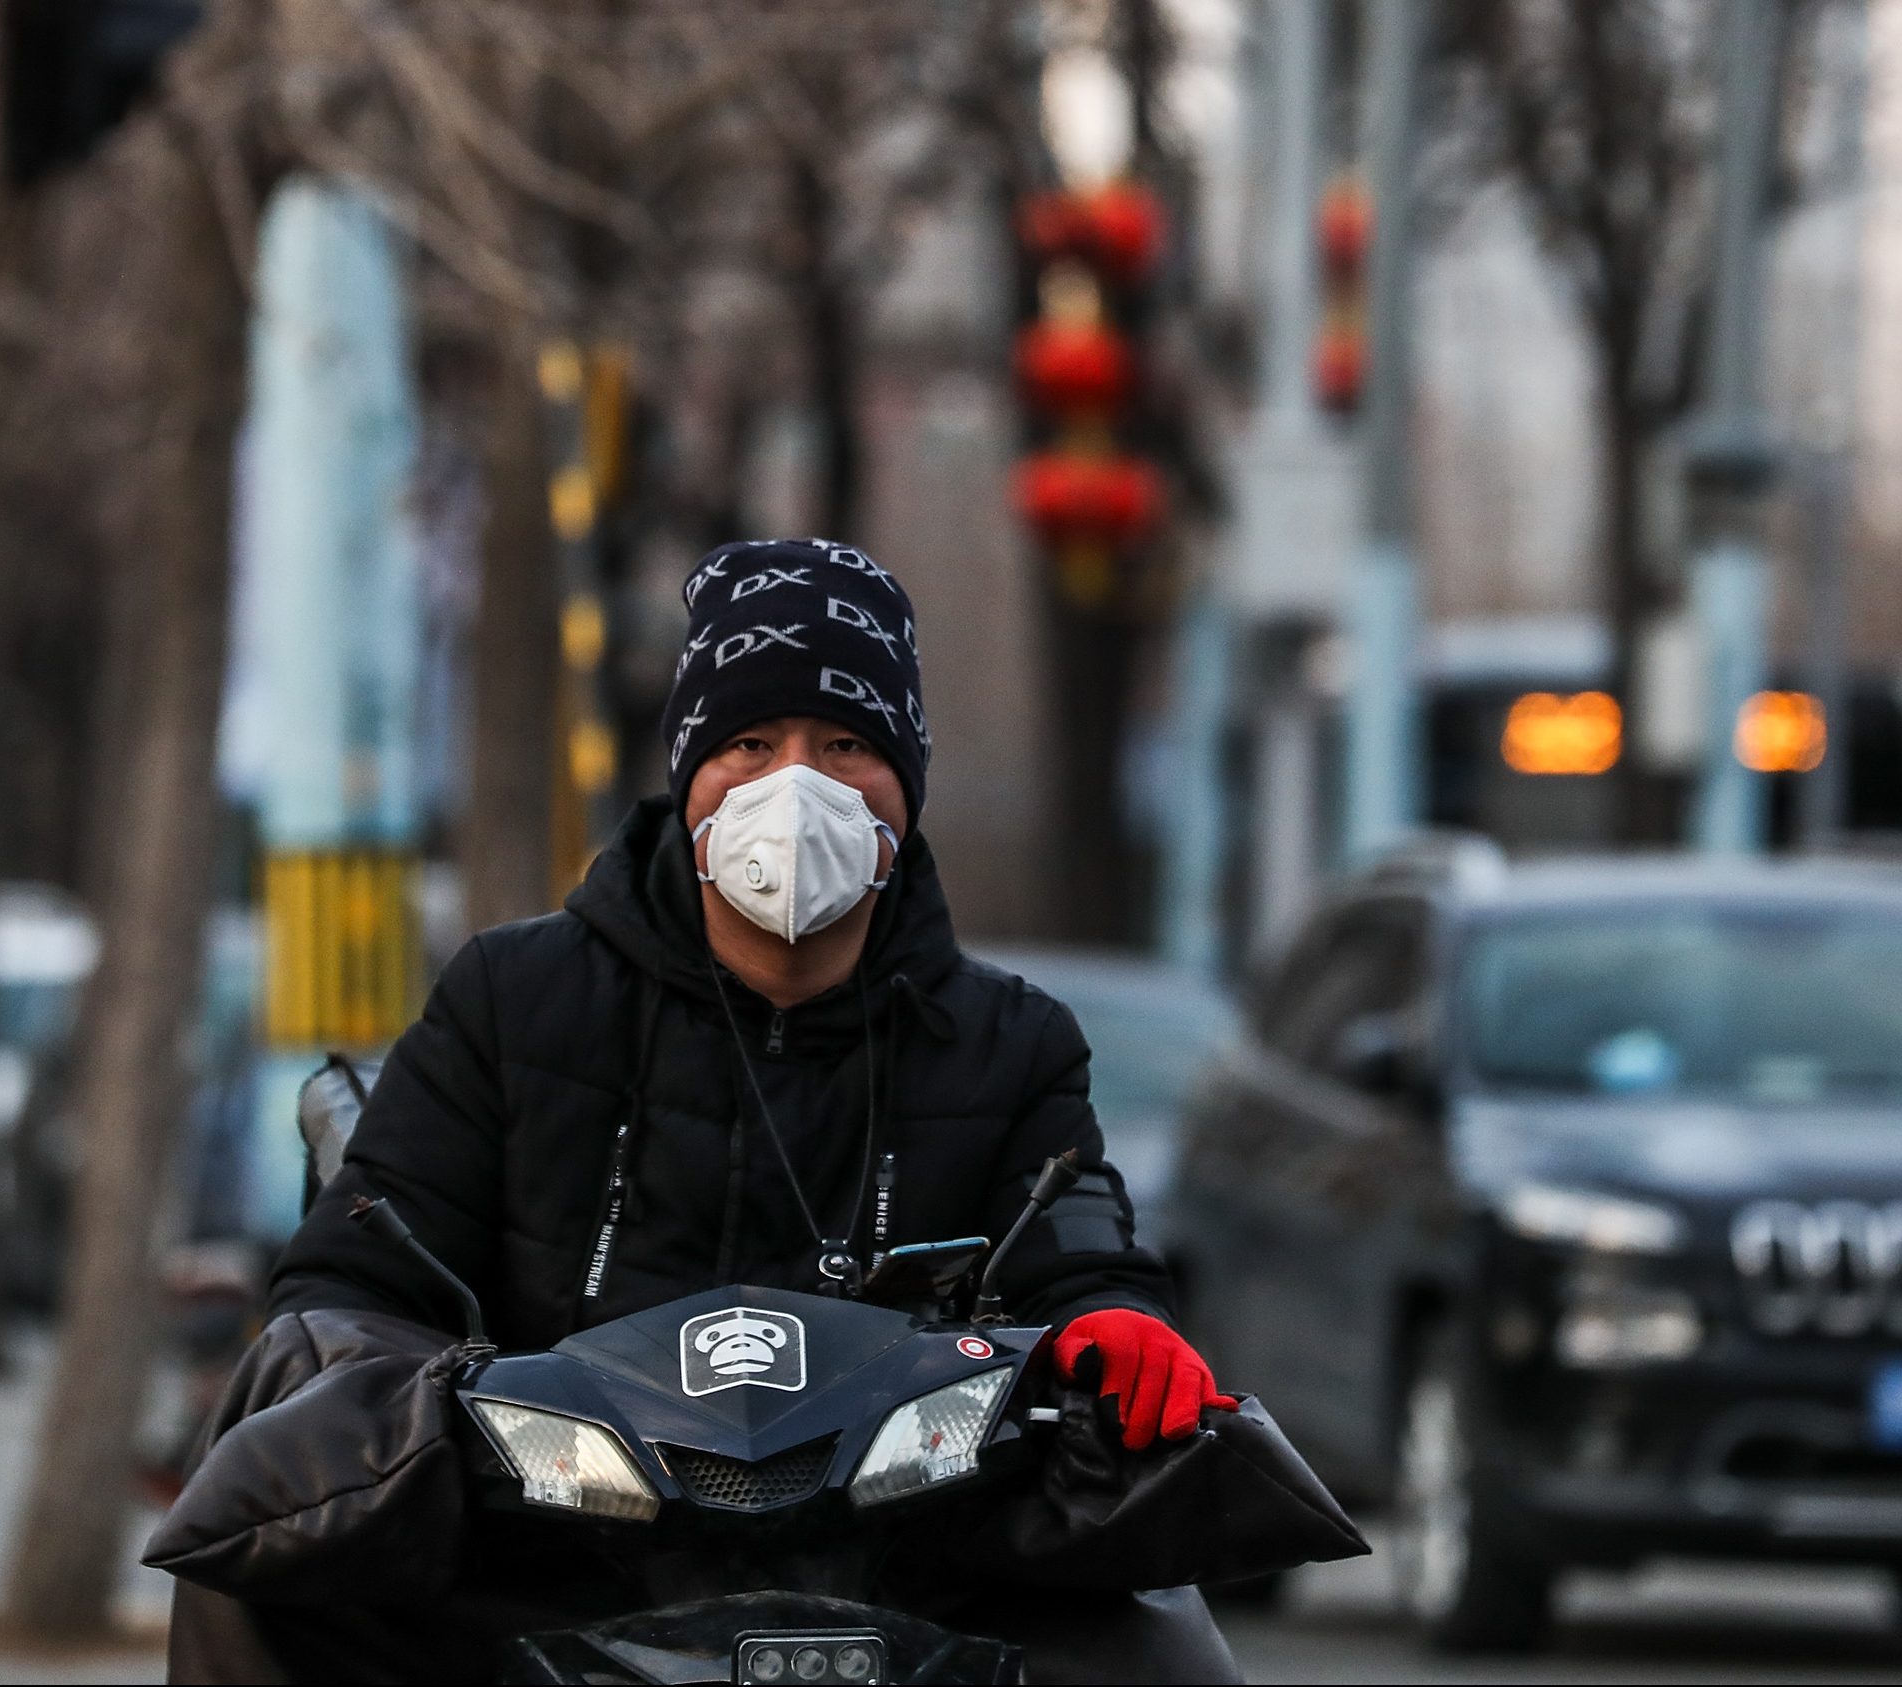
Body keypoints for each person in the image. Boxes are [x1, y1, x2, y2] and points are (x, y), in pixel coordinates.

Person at [182, 538, 1240, 1682]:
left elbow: (1082, 1260)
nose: (798, 787)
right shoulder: (513, 999)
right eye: (750, 742)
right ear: (688, 770)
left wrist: (1114, 1330)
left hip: (901, 1566)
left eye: (846, 746)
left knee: (1170, 1657)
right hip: (548, 1556)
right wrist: (407, 1386)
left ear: (906, 782)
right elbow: (350, 1280)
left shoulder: (1011, 1041)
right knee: (253, 1595)